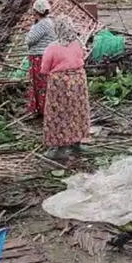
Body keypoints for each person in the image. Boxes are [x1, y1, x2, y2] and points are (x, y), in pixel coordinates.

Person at [40, 16, 90, 160]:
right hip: (79, 82)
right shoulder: (77, 44)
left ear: (58, 29)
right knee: (77, 111)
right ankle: (77, 143)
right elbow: (82, 58)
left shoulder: (52, 47)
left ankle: (61, 149)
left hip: (60, 84)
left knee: (60, 114)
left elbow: (44, 69)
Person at [24, 0, 56, 116]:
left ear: (37, 11)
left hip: (40, 57)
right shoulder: (46, 22)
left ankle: (43, 109)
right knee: (41, 83)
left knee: (40, 84)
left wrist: (28, 35)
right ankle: (41, 108)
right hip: (42, 56)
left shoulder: (43, 24)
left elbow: (29, 40)